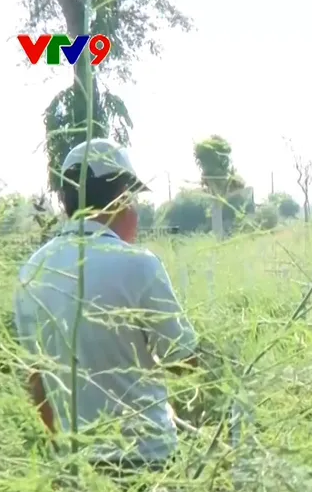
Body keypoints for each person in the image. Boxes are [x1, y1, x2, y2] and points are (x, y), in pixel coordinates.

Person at [13, 138, 199, 473]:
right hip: (145, 459)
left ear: (65, 200)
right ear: (122, 197)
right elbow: (183, 361)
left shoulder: (32, 271)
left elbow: (37, 382)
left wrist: (62, 459)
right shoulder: (139, 265)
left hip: (76, 466)